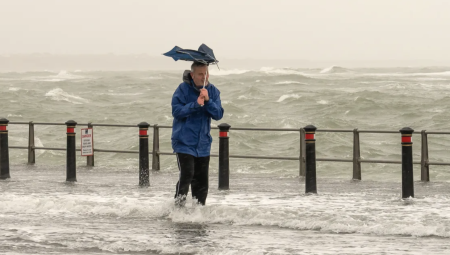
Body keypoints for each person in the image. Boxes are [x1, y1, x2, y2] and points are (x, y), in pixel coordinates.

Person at [171, 61, 224, 206]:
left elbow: (218, 114)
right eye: (200, 74)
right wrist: (196, 104)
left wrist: (208, 101)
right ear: (192, 75)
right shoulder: (182, 89)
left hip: (203, 143)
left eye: (206, 73)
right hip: (184, 142)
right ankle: (178, 208)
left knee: (202, 182)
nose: (204, 77)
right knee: (187, 174)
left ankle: (198, 213)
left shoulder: (212, 90)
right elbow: (176, 112)